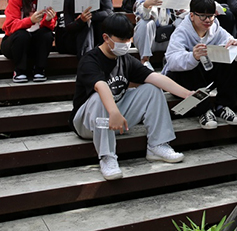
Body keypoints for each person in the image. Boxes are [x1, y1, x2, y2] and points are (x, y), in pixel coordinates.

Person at [71, 13, 189, 181]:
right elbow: (101, 86)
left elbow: (155, 77)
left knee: (152, 88)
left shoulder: (125, 59)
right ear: (106, 38)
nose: (126, 43)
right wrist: (114, 112)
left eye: (129, 39)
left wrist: (187, 94)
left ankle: (157, 145)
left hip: (116, 119)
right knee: (100, 97)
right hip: (87, 122)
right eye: (122, 40)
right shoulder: (90, 60)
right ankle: (107, 157)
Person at [163, 0, 237, 129]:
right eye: (202, 16)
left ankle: (223, 106)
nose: (208, 20)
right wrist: (192, 56)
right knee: (194, 62)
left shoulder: (217, 29)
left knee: (231, 58)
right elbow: (172, 61)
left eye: (211, 16)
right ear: (192, 15)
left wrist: (236, 45)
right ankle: (204, 110)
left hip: (207, 77)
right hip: (181, 80)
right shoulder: (181, 31)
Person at [1, 0, 57, 83]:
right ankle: (20, 71)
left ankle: (39, 70)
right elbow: (10, 26)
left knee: (47, 34)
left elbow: (50, 27)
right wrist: (30, 20)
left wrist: (48, 20)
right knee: (22, 35)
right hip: (15, 43)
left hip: (35, 43)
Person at [134, 0, 179, 70]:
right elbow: (139, 12)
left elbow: (181, 12)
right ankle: (145, 60)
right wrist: (147, 5)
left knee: (183, 21)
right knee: (145, 23)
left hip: (169, 36)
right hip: (151, 38)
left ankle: (172, 59)